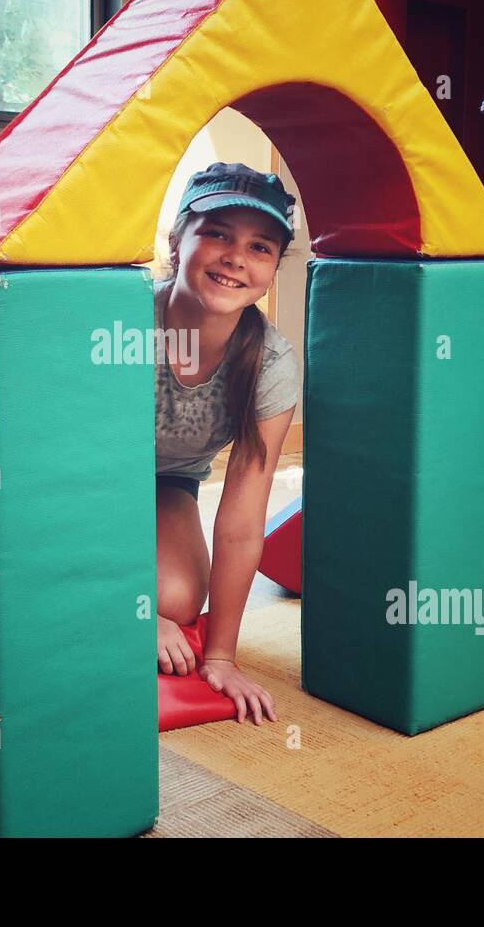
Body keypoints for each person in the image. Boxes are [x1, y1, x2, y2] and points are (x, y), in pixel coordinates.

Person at [154, 161, 301, 726]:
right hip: (85, 479)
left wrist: (220, 654)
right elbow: (65, 463)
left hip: (168, 482)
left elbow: (242, 516)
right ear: (178, 240)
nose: (236, 257)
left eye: (260, 247)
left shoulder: (270, 362)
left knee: (176, 600)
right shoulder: (123, 321)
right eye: (217, 233)